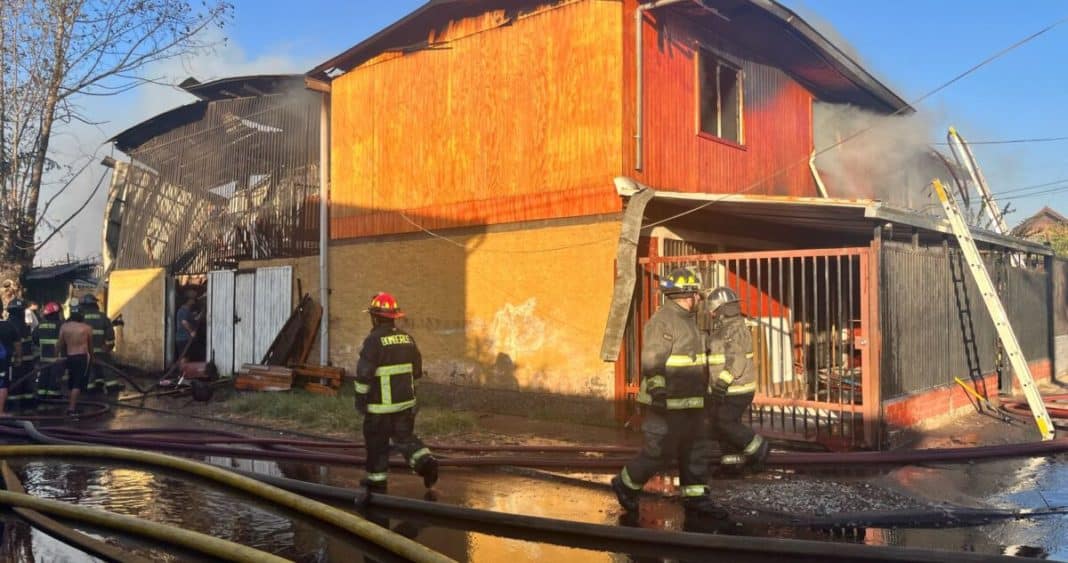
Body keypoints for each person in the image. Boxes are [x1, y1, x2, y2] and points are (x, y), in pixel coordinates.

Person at [611, 268, 725, 518]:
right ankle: (625, 484)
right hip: (666, 404)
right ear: (687, 294)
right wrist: (659, 391)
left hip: (691, 403)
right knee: (659, 453)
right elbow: (653, 361)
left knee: (695, 449)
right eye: (697, 294)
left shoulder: (688, 321)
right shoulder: (663, 321)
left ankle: (696, 498)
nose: (699, 299)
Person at [354, 292, 439, 493]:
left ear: (375, 317)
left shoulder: (373, 340)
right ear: (394, 317)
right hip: (405, 403)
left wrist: (360, 399)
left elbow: (364, 373)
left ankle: (377, 480)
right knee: (405, 437)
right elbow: (416, 371)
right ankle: (426, 462)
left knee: (377, 441)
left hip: (379, 406)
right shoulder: (407, 339)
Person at [704, 286, 769, 473]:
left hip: (736, 389)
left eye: (713, 310)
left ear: (721, 309)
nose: (711, 313)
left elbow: (736, 359)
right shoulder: (724, 328)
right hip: (725, 389)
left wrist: (723, 382)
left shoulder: (736, 329)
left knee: (724, 422)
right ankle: (731, 465)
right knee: (720, 426)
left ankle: (758, 447)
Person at [81, 294, 121, 394]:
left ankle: (90, 387)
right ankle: (111, 387)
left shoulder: (80, 318)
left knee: (89, 369)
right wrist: (109, 346)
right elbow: (110, 334)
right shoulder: (103, 317)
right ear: (95, 304)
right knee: (107, 368)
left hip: (85, 351)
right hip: (102, 350)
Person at [57, 309, 93, 417]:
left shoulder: (64, 327)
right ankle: (71, 409)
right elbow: (90, 345)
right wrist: (92, 357)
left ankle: (73, 404)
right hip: (82, 357)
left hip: (69, 357)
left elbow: (59, 344)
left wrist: (56, 356)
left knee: (72, 381)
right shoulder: (87, 328)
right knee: (78, 382)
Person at [4, 298, 36, 409]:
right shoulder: (19, 326)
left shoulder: (8, 325)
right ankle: (25, 406)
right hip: (20, 362)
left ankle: (16, 406)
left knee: (17, 384)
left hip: (17, 362)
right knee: (22, 384)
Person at [33, 302, 65, 402]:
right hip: (57, 358)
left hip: (44, 357)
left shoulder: (40, 326)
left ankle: (41, 394)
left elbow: (35, 339)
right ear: (56, 314)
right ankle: (54, 395)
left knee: (44, 375)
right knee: (55, 376)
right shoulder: (61, 325)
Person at [0, 311, 21, 416]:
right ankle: (0, 411)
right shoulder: (9, 326)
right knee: (3, 384)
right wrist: (18, 357)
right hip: (4, 361)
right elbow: (17, 344)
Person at [175, 294, 197, 362]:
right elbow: (184, 322)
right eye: (192, 299)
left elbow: (188, 320)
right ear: (188, 301)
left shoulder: (186, 311)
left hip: (185, 338)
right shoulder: (184, 310)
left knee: (186, 357)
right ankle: (183, 371)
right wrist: (192, 332)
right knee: (184, 358)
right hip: (183, 338)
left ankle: (184, 371)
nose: (193, 301)